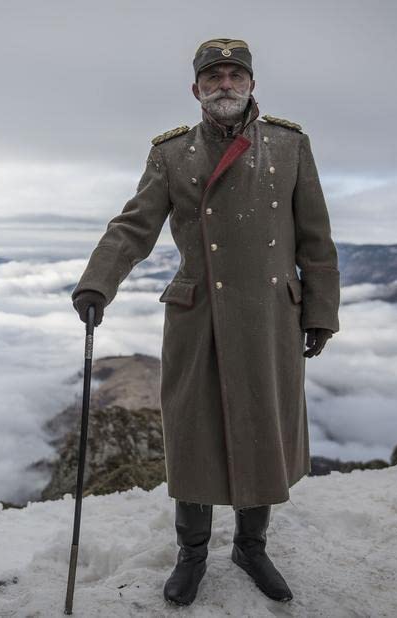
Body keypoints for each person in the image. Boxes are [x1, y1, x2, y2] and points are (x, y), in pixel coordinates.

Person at [71, 37, 341, 607]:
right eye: (213, 76)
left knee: (261, 427)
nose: (225, 84)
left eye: (234, 74)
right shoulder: (171, 154)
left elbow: (316, 238)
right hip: (199, 315)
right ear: (196, 89)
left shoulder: (290, 146)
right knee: (193, 435)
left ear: (251, 84)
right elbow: (134, 226)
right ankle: (192, 554)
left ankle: (250, 546)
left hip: (270, 314)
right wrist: (98, 282)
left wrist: (321, 311)